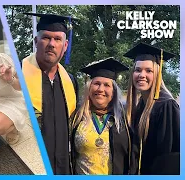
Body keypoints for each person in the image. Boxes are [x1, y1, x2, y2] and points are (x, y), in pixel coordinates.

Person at [22, 13, 79, 174]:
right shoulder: (18, 74)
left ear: (66, 45)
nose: (52, 44)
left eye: (58, 39)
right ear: (36, 41)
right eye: (46, 38)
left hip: (62, 167)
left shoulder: (71, 82)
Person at [124, 42, 180, 175]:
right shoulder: (140, 106)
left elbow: (169, 157)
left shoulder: (166, 105)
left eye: (148, 71)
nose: (142, 75)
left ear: (158, 74)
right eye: (138, 70)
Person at [71, 57, 131, 175]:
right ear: (89, 88)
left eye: (106, 85)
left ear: (113, 92)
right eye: (96, 84)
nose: (100, 89)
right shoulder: (76, 117)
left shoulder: (124, 119)